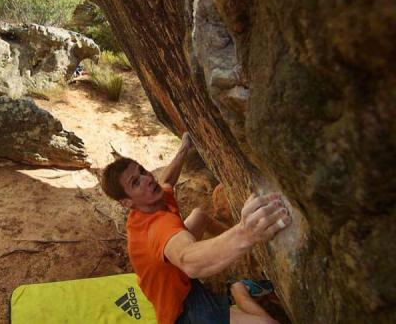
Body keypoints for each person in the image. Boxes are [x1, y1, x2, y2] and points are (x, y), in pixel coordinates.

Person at [101, 132, 291, 324]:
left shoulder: (152, 199)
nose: (148, 179)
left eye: (142, 171)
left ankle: (243, 268)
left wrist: (184, 147)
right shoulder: (156, 227)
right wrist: (245, 234)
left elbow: (167, 180)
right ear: (126, 203)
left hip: (179, 281)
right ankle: (238, 290)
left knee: (199, 216)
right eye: (135, 182)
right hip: (184, 313)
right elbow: (188, 260)